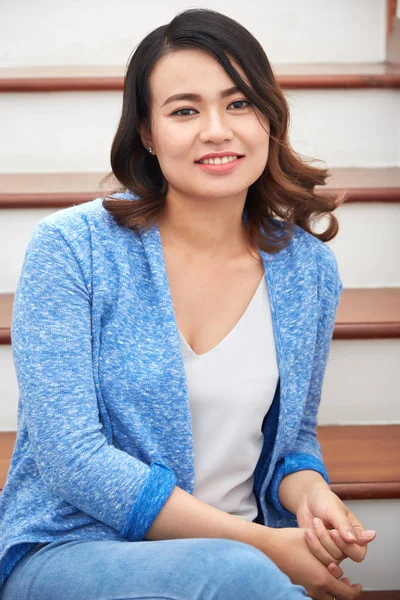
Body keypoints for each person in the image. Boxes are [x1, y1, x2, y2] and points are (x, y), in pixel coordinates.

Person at [0, 8, 376, 600]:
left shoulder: (306, 269)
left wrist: (311, 494)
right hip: (75, 549)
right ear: (147, 134)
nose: (216, 130)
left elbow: (292, 439)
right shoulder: (73, 249)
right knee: (237, 575)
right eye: (184, 110)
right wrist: (262, 547)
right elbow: (71, 458)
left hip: (243, 555)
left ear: (269, 119)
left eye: (238, 103)